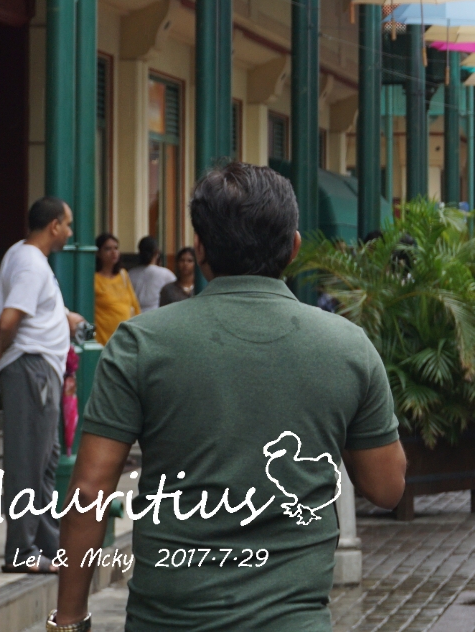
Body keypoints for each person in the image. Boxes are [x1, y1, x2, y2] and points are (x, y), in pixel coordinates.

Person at [53, 162, 407, 632]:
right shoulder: (347, 348)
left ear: (199, 248)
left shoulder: (140, 343)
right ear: (295, 248)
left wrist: (69, 621)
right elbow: (387, 488)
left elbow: (89, 491)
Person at [0, 196, 80, 574]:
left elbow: (29, 311)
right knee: (28, 462)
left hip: (38, 370)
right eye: (67, 224)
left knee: (45, 459)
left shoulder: (26, 258)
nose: (70, 232)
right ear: (53, 225)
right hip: (31, 370)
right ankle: (21, 550)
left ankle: (45, 542)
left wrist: (64, 317)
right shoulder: (32, 264)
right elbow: (9, 320)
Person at [90, 233, 140, 343]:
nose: (114, 253)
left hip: (125, 338)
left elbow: (134, 305)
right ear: (98, 253)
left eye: (116, 248)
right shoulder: (94, 279)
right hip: (103, 339)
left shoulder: (123, 275)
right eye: (108, 249)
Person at [126, 236, 176, 312]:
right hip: (156, 314)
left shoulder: (130, 274)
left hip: (134, 315)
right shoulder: (166, 274)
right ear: (157, 253)